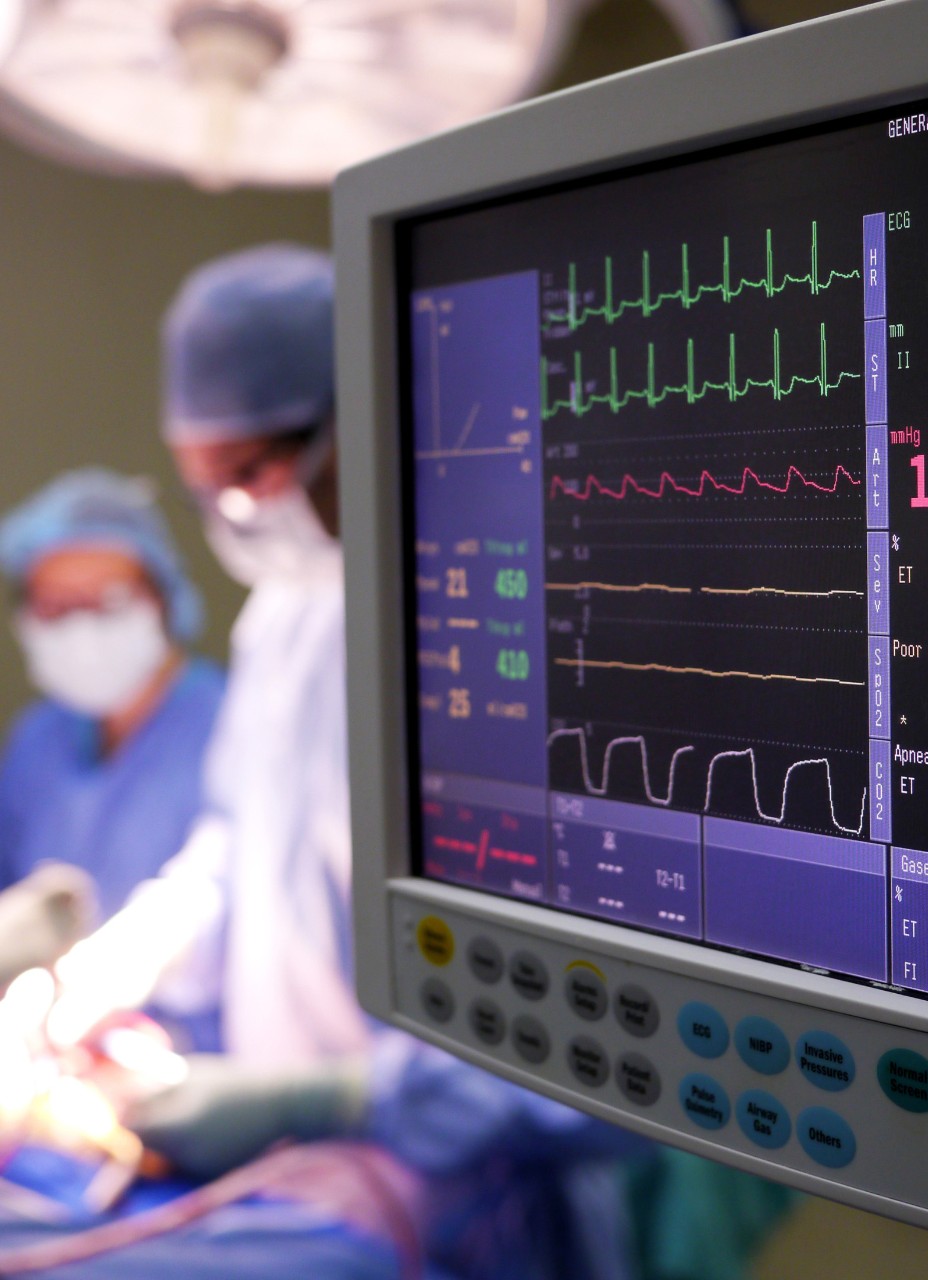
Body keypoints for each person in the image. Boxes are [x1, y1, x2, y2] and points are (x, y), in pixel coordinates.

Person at [45, 244, 640, 1280]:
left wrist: (349, 1092)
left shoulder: (508, 619)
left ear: (357, 412)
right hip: (306, 1176)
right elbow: (237, 839)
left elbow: (603, 1025)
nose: (235, 515)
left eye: (252, 474)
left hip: (469, 1200)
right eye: (202, 490)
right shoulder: (284, 617)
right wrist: (127, 951)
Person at [0, 470, 225, 923]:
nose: (81, 628)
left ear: (163, 601)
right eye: (55, 606)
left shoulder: (232, 729)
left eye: (108, 599)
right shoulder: (39, 739)